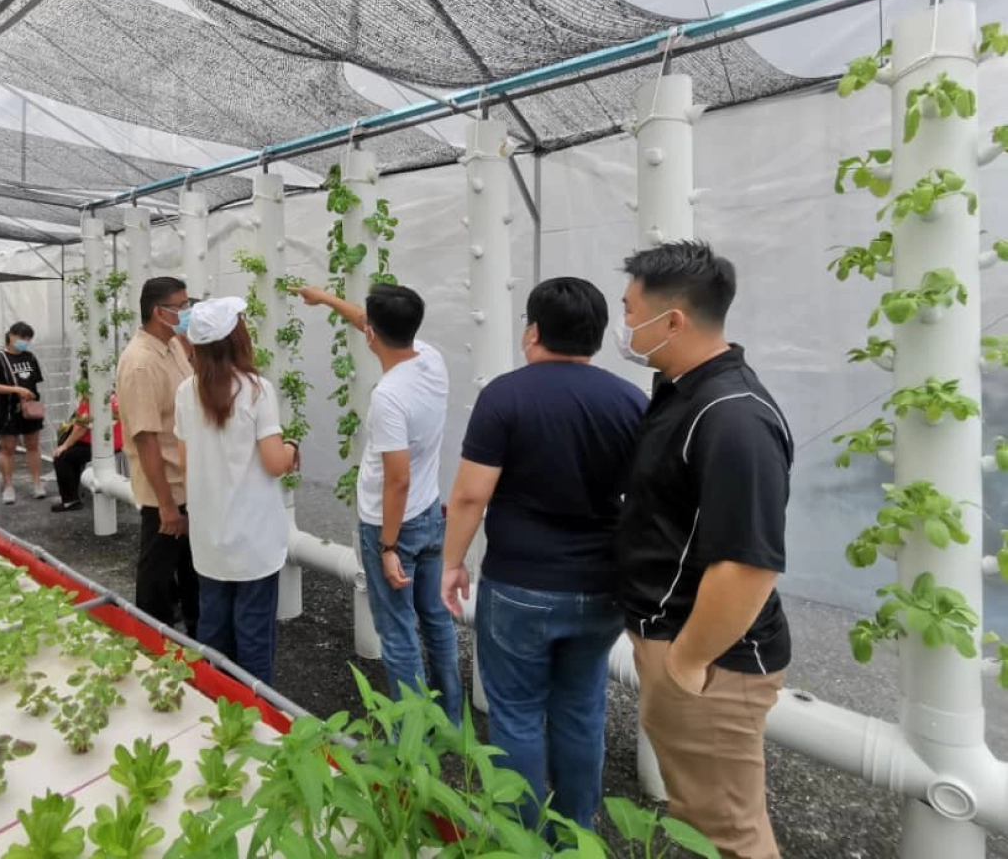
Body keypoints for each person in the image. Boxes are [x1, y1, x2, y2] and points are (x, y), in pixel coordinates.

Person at [440, 277, 646, 830]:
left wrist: (452, 562)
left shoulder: (505, 396)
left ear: (532, 330)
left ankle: (520, 836)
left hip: (520, 587)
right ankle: (577, 832)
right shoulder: (630, 401)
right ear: (599, 336)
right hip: (602, 588)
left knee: (518, 715)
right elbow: (647, 502)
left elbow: (469, 494)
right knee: (581, 709)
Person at [616, 240, 793, 859]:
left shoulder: (731, 417)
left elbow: (748, 565)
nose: (625, 326)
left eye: (630, 311)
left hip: (714, 660)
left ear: (673, 321)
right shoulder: (684, 389)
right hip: (685, 645)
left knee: (727, 831)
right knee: (699, 812)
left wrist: (686, 662)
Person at [296, 283, 462, 719]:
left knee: (398, 630)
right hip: (429, 515)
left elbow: (397, 479)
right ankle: (451, 718)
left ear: (372, 334)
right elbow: (363, 319)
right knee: (436, 618)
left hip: (394, 525)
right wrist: (328, 299)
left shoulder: (389, 396)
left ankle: (411, 735)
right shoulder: (430, 360)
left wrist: (388, 548)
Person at [174, 297, 298, 683]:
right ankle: (258, 719)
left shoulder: (185, 392)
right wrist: (293, 448)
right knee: (254, 634)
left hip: (209, 535)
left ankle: (214, 706)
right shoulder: (256, 390)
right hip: (254, 538)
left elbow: (185, 460)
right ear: (237, 339)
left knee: (213, 629)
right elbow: (275, 463)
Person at [116, 277, 199, 636]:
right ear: (157, 312)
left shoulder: (173, 346)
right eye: (180, 307)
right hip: (164, 488)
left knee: (191, 573)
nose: (187, 313)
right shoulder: (140, 363)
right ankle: (149, 642)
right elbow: (146, 440)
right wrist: (166, 504)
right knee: (156, 576)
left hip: (186, 483)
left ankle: (197, 645)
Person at [52, 370, 123, 513]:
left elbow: (81, 427)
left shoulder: (92, 396)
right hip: (115, 442)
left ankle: (70, 501)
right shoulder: (114, 392)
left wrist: (65, 446)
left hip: (99, 445)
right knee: (72, 451)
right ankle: (74, 493)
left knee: (62, 457)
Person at [0, 321, 46, 505]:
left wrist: (29, 395)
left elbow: (35, 381)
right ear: (11, 335)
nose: (25, 342)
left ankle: (37, 483)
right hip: (8, 411)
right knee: (8, 449)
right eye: (23, 337)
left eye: (29, 339)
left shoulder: (29, 357)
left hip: (30, 409)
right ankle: (8, 486)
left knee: (33, 445)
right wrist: (16, 390)